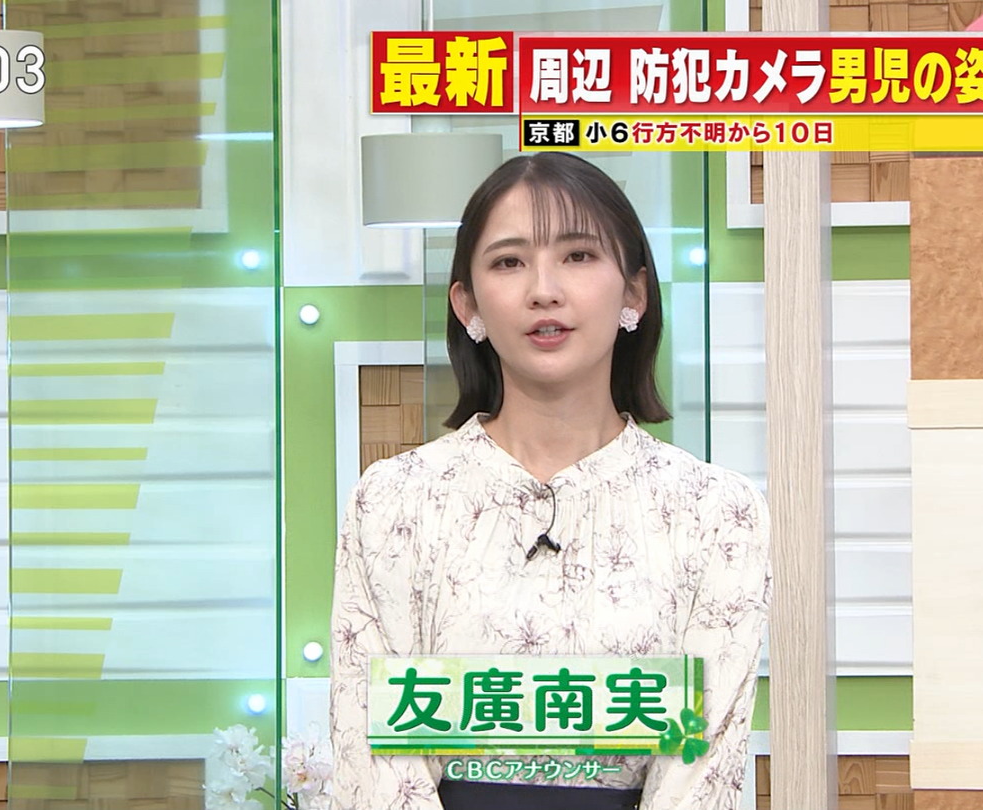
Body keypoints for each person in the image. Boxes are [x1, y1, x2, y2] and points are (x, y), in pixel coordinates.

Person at [329, 152, 773, 810]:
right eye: (509, 262)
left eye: (578, 255)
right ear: (468, 304)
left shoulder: (715, 512)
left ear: (634, 294)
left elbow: (700, 772)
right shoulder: (393, 502)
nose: (544, 290)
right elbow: (372, 764)